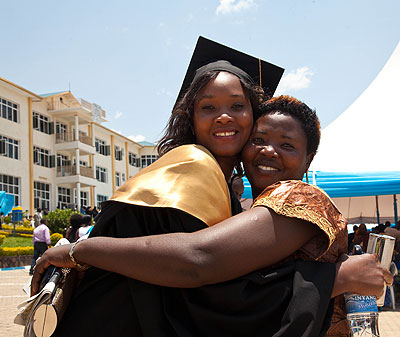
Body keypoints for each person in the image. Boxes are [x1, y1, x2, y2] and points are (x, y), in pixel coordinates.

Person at [33, 95, 391, 337]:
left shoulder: (300, 196)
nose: (269, 150)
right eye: (259, 138)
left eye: (287, 145)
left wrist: (81, 251)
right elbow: (235, 291)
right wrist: (331, 279)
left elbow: (199, 259)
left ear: (308, 160)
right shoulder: (249, 208)